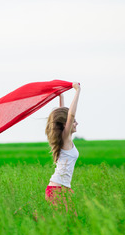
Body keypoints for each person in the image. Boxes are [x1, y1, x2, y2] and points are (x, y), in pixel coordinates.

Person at [44, 82, 81, 215]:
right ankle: (32, 217)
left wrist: (61, 96)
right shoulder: (65, 138)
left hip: (62, 188)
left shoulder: (65, 139)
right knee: (69, 220)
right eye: (74, 121)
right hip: (58, 189)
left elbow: (65, 114)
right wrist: (77, 90)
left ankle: (36, 217)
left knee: (64, 220)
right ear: (67, 124)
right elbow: (69, 115)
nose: (76, 123)